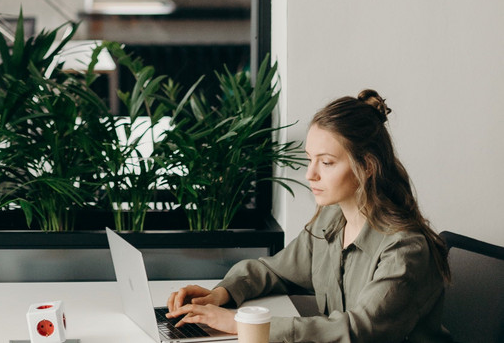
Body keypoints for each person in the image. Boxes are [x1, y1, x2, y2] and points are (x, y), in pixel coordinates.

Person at [166, 89, 453, 342]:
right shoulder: (330, 220)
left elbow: (360, 332)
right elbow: (275, 270)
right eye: (309, 158)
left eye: (326, 162)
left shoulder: (405, 249)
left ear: (367, 166)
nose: (309, 174)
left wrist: (242, 323)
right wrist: (221, 294)